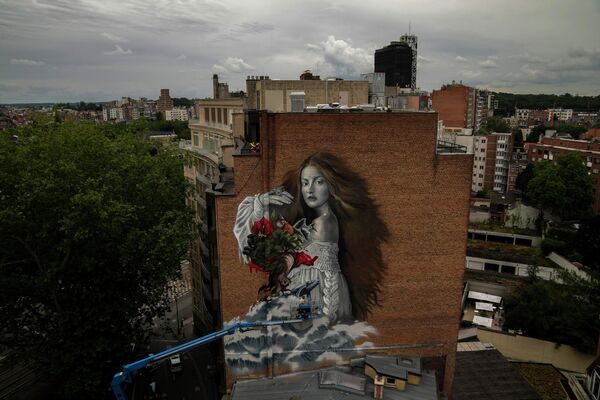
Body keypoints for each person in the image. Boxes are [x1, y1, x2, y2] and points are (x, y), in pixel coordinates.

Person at [234, 152, 388, 321]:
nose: (310, 189)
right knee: (305, 336)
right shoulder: (318, 221)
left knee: (306, 333)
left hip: (317, 290)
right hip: (311, 289)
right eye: (305, 183)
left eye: (319, 182)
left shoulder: (325, 222)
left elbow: (297, 248)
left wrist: (267, 213)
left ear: (330, 185)